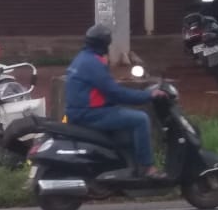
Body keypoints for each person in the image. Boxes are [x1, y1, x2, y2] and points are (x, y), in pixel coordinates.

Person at [65, 24, 168, 177]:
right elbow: (115, 93)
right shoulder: (93, 63)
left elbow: (103, 90)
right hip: (90, 114)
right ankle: (147, 167)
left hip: (81, 111)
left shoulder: (81, 58)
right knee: (141, 119)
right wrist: (147, 95)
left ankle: (127, 163)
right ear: (104, 44)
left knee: (125, 113)